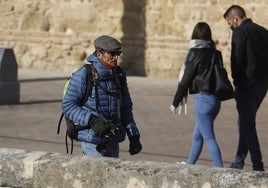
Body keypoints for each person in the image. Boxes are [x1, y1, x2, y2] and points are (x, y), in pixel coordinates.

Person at [62, 35, 142, 157]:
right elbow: (68, 106)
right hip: (92, 141)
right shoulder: (83, 74)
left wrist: (134, 135)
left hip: (112, 140)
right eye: (112, 54)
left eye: (118, 53)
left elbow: (125, 107)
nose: (116, 57)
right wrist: (92, 120)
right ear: (99, 54)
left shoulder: (119, 75)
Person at [170, 22, 223, 167]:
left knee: (209, 137)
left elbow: (185, 80)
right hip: (216, 100)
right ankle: (189, 164)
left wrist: (176, 102)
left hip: (202, 100)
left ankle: (221, 170)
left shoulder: (194, 53)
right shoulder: (216, 54)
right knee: (197, 136)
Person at [223, 5, 268, 171]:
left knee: (247, 124)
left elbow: (237, 59)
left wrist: (236, 83)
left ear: (235, 19)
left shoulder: (240, 32)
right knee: (244, 121)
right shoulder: (263, 31)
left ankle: (257, 164)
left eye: (230, 23)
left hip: (247, 86)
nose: (230, 27)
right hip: (262, 85)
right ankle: (238, 160)